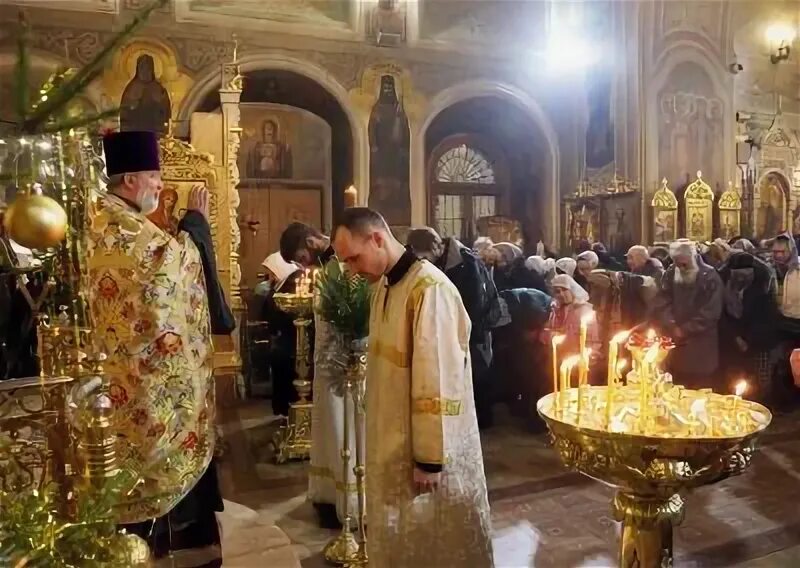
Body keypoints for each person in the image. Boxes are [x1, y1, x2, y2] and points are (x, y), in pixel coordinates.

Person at [87, 131, 235, 563]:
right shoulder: (125, 229)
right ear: (130, 178)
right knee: (156, 444)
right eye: (154, 176)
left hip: (117, 372)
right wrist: (195, 225)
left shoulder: (103, 222)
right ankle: (176, 541)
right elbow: (172, 268)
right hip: (142, 381)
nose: (159, 185)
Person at [332, 208, 493, 567]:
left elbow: (436, 378)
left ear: (377, 238)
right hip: (392, 442)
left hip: (424, 456)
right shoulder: (386, 285)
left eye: (354, 258)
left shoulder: (429, 290)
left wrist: (429, 460)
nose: (353, 270)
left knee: (434, 542)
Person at [407, 226, 502, 429]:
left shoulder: (466, 264)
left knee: (476, 374)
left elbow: (474, 303)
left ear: (435, 247)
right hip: (452, 327)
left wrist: (460, 329)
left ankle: (481, 423)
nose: (422, 262)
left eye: (424, 256)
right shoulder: (446, 261)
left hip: (474, 329)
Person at [651, 240, 722, 389]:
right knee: (674, 389)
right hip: (674, 343)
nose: (681, 268)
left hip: (700, 345)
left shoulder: (709, 276)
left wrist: (685, 330)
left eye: (684, 264)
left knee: (699, 392)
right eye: (678, 264)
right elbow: (662, 301)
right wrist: (671, 324)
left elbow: (711, 311)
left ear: (694, 258)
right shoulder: (671, 273)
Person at [718, 250, 777, 400]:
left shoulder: (762, 285)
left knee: (759, 382)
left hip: (758, 341)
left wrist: (748, 340)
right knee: (735, 379)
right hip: (732, 341)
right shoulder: (725, 284)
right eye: (736, 275)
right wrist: (735, 337)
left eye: (744, 275)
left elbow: (766, 318)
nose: (740, 279)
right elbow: (722, 315)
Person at [546, 274, 601, 365]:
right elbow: (550, 329)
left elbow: (592, 338)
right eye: (557, 291)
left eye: (564, 290)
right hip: (559, 357)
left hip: (579, 359)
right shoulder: (555, 309)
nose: (561, 294)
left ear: (572, 290)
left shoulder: (584, 310)